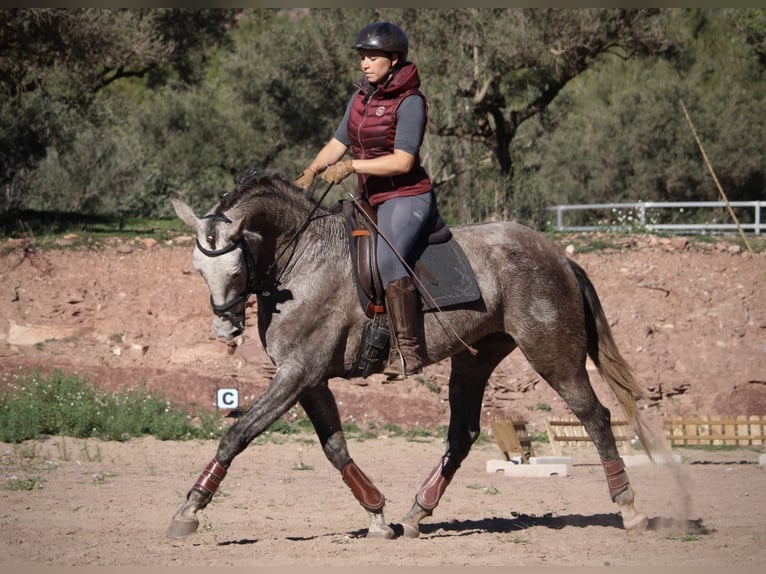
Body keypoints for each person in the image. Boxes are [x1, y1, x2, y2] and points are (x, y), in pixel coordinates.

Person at [295, 21, 442, 380]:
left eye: (372, 57)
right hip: (369, 196)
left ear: (394, 60)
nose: (364, 63)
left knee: (389, 260)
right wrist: (312, 170)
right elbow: (337, 142)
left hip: (405, 195)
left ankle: (408, 351)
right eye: (362, 57)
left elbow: (402, 161)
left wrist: (350, 166)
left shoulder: (410, 102)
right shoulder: (362, 96)